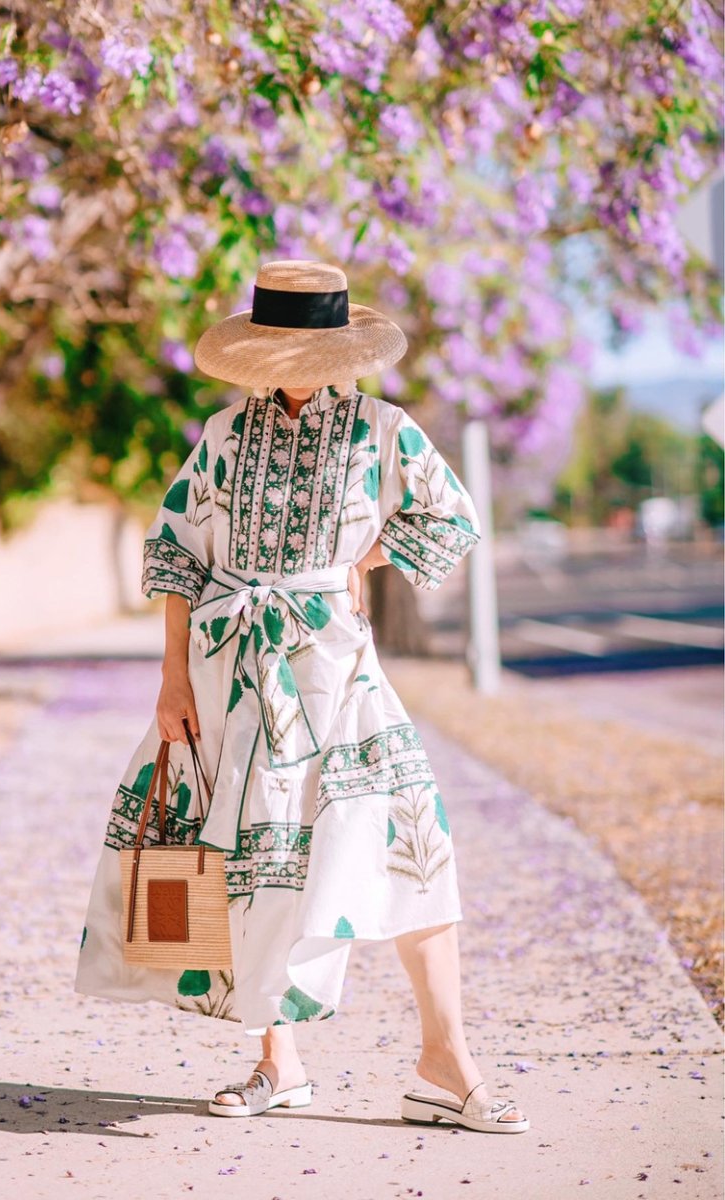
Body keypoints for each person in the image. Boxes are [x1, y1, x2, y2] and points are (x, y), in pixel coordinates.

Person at [74, 258, 529, 1134]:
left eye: (309, 347)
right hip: (229, 672)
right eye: (278, 347)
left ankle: (446, 1061)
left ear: (340, 348)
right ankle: (276, 1063)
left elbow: (452, 517)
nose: (294, 362)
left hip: (339, 671)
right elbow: (175, 554)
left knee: (412, 843)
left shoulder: (382, 431)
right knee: (252, 865)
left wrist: (362, 560)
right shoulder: (220, 437)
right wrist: (172, 678)